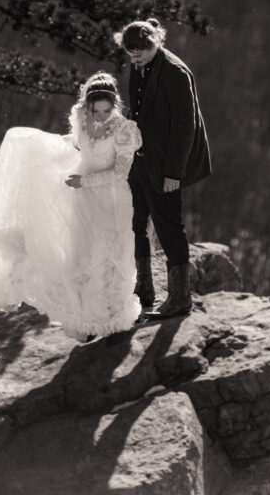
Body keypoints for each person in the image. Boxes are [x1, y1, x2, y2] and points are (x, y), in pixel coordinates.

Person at [0, 72, 142, 342]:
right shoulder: (81, 118)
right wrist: (38, 149)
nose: (100, 116)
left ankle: (111, 318)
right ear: (87, 106)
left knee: (107, 256)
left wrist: (85, 181)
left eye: (106, 110)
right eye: (95, 110)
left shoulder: (125, 130)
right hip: (82, 198)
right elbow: (75, 145)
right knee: (80, 255)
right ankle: (85, 321)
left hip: (111, 198)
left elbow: (120, 173)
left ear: (115, 105)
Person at [119, 18, 211, 317]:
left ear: (155, 43)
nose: (135, 59)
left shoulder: (174, 72)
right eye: (130, 54)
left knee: (169, 228)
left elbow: (186, 126)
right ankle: (144, 289)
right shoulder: (138, 63)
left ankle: (181, 300)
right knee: (135, 224)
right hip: (140, 158)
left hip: (165, 165)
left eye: (140, 53)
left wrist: (174, 173)